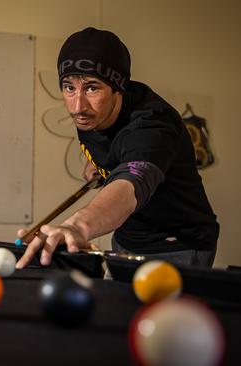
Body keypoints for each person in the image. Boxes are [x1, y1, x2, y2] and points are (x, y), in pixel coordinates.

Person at [15, 27, 219, 269]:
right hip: (126, 237)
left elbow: (130, 183)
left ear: (118, 88)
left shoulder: (153, 125)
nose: (77, 106)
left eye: (92, 87)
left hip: (177, 245)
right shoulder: (92, 114)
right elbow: (115, 148)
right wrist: (101, 164)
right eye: (69, 87)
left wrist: (76, 226)